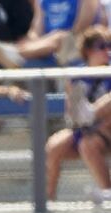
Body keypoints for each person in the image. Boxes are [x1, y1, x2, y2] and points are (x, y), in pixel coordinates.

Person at [44, 26, 111, 201]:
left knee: (88, 145)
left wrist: (97, 121)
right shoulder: (77, 75)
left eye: (109, 45)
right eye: (101, 46)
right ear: (88, 50)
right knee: (53, 146)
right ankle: (47, 201)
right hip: (83, 128)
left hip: (106, 128)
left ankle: (107, 194)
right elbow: (72, 114)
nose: (107, 50)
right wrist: (81, 121)